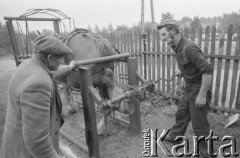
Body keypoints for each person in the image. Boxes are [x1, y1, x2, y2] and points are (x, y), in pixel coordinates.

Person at [0, 36, 77, 158]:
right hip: (25, 153)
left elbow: (53, 73)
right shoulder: (38, 84)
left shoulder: (28, 65)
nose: (62, 63)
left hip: (16, 145)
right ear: (50, 58)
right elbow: (37, 142)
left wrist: (70, 67)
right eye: (60, 60)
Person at [157, 19, 213, 158]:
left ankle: (205, 154)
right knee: (181, 115)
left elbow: (207, 70)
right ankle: (174, 137)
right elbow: (190, 64)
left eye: (164, 34)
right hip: (189, 87)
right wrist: (181, 71)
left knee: (199, 125)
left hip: (198, 89)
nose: (162, 38)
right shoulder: (177, 46)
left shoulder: (188, 48)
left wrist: (202, 95)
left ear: (173, 31)